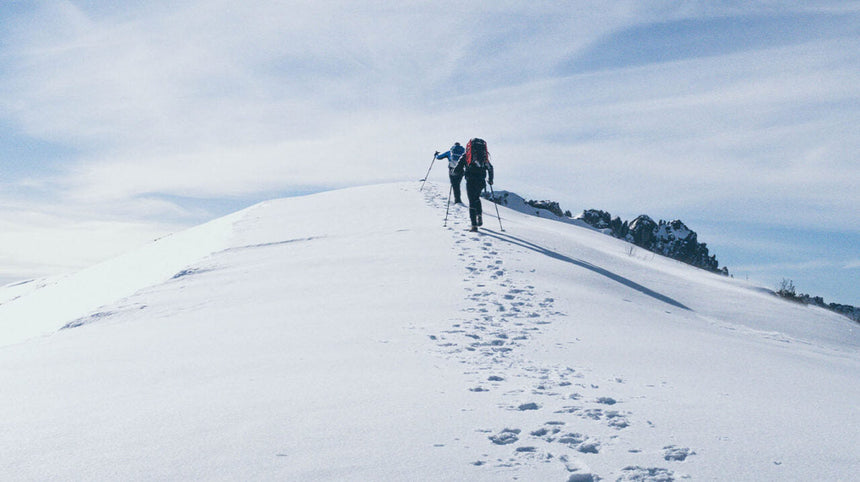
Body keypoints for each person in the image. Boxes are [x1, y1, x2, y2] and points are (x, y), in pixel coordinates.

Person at [453, 138, 494, 232]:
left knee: (472, 201)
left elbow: (457, 169)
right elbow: (490, 168)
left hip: (470, 180)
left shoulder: (466, 156)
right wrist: (490, 179)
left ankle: (474, 225)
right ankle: (479, 215)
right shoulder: (484, 157)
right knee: (476, 198)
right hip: (481, 181)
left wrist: (455, 173)